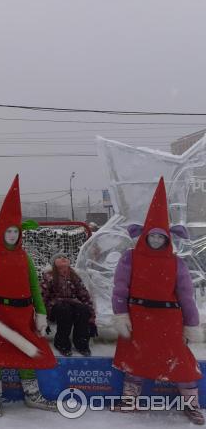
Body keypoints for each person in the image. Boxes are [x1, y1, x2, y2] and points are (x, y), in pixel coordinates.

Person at [111, 177, 204, 425]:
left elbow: (186, 296)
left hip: (168, 321)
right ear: (144, 236)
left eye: (160, 237)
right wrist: (121, 314)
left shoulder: (176, 263)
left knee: (181, 362)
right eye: (151, 236)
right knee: (135, 359)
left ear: (167, 239)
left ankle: (192, 406)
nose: (155, 240)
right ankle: (130, 402)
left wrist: (191, 324)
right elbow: (120, 289)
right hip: (138, 319)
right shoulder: (129, 258)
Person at [0, 175, 57, 417]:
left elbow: (34, 288)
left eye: (15, 231)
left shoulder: (25, 257)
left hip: (23, 316)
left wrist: (40, 313)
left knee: (27, 353)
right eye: (8, 231)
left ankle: (32, 395)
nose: (12, 235)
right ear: (0, 232)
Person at [41, 253, 97, 356]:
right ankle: (61, 343)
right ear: (53, 263)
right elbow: (42, 296)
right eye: (59, 257)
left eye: (65, 257)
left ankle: (82, 343)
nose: (63, 258)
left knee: (83, 309)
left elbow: (84, 296)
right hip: (56, 306)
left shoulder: (74, 276)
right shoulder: (49, 276)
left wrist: (92, 319)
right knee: (64, 309)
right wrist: (43, 319)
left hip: (73, 305)